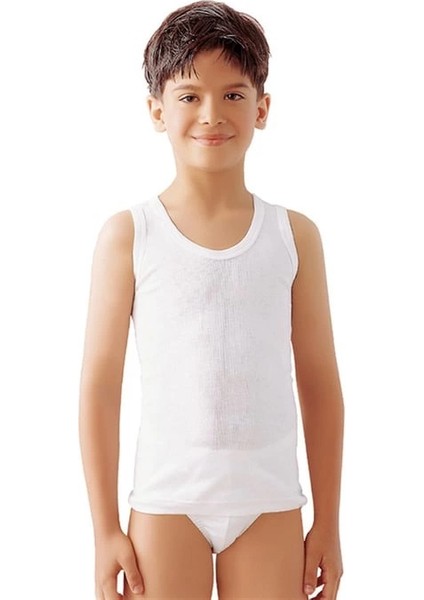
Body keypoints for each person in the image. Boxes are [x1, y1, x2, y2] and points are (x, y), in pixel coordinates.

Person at [78, 1, 344, 598]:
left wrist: (328, 520)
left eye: (233, 95)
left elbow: (320, 381)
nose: (211, 114)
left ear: (262, 108)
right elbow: (99, 386)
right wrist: (104, 530)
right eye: (189, 95)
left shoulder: (294, 235)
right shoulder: (130, 235)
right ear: (157, 110)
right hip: (166, 503)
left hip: (270, 502)